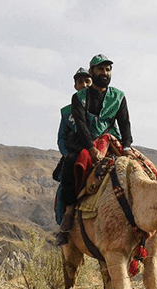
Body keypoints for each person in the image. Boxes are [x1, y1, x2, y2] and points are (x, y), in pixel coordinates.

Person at [56, 54, 135, 245]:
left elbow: (124, 123)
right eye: (100, 69)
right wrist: (91, 149)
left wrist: (126, 146)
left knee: (137, 167)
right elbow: (81, 127)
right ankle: (68, 213)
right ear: (93, 71)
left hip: (111, 140)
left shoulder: (119, 96)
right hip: (86, 143)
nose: (105, 73)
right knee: (71, 164)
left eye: (108, 69)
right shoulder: (78, 99)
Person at [54, 68, 93, 226]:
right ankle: (65, 220)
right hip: (75, 154)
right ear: (75, 86)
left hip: (100, 151)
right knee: (64, 186)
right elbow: (61, 138)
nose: (84, 85)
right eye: (80, 82)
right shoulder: (67, 112)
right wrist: (66, 154)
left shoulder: (103, 108)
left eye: (87, 81)